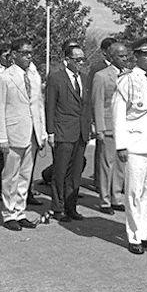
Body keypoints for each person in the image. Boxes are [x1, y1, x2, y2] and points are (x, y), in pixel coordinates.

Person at [112, 38, 147, 255]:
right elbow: (118, 114)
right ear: (136, 56)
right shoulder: (127, 80)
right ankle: (134, 236)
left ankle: (146, 232)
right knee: (134, 192)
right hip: (135, 144)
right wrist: (121, 145)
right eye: (146, 54)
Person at [0, 39, 47, 231]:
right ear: (14, 55)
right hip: (14, 132)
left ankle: (20, 210)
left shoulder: (34, 76)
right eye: (24, 53)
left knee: (26, 175)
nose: (29, 56)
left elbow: (39, 105)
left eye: (31, 53)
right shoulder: (4, 77)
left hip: (32, 132)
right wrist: (2, 137)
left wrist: (43, 131)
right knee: (10, 175)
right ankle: (9, 214)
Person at [45, 42, 91, 222]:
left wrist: (90, 125)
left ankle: (71, 206)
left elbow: (86, 105)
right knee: (60, 171)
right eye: (77, 59)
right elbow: (50, 106)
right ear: (67, 60)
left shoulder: (85, 78)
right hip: (63, 131)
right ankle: (58, 207)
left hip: (81, 132)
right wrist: (50, 131)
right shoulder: (56, 78)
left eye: (82, 59)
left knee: (75, 172)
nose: (80, 63)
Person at [91, 42, 129, 214]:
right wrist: (99, 128)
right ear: (111, 57)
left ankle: (116, 196)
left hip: (125, 126)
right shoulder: (101, 76)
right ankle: (104, 200)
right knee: (107, 164)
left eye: (126, 56)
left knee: (121, 164)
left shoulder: (129, 75)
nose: (125, 59)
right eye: (121, 56)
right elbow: (97, 103)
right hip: (108, 124)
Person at [86, 37, 117, 191]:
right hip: (102, 118)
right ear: (104, 52)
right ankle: (100, 182)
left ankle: (114, 183)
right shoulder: (97, 68)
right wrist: (93, 121)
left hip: (116, 120)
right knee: (102, 152)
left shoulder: (121, 69)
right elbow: (93, 96)